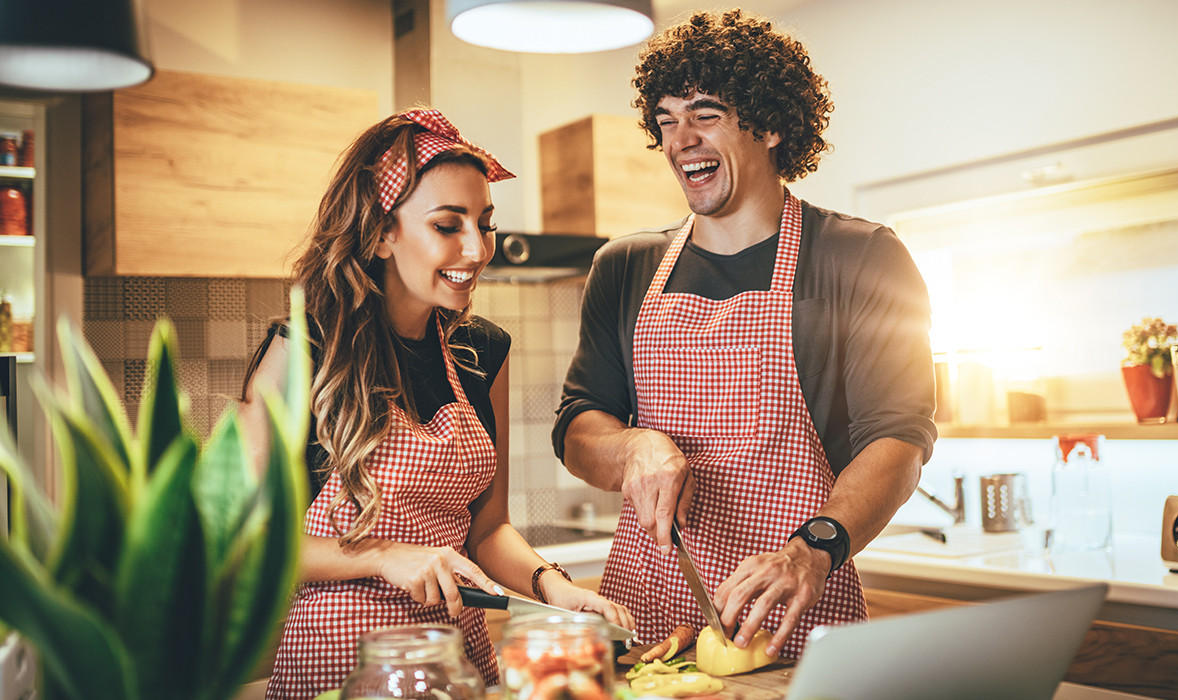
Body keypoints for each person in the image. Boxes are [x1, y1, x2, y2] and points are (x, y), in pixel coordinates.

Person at [553, 10, 937, 661]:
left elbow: (898, 439)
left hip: (796, 615)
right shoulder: (624, 267)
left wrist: (811, 550)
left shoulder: (860, 257)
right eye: (667, 120)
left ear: (772, 123)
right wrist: (633, 447)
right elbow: (577, 428)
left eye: (705, 114)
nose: (681, 141)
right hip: (646, 624)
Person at [240, 108, 633, 699]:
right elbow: (244, 542)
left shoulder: (482, 352)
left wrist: (553, 588)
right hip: (342, 670)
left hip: (458, 663)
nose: (476, 249)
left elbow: (488, 528)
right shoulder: (303, 352)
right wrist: (383, 557)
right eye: (448, 225)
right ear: (380, 232)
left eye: (485, 222)